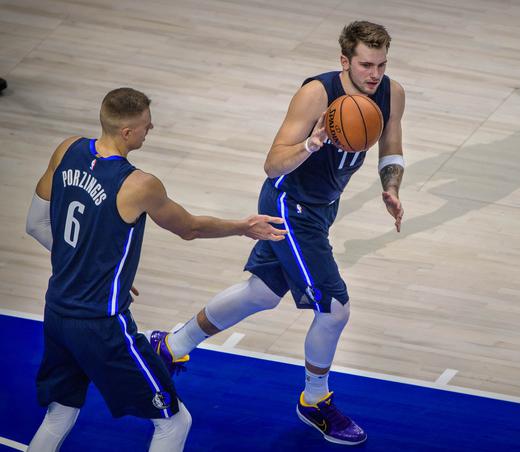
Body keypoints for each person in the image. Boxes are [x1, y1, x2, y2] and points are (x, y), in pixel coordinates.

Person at [154, 20, 405, 446]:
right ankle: (314, 400)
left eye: (381, 64)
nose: (374, 74)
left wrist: (390, 186)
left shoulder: (390, 92)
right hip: (290, 206)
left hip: (323, 208)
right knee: (335, 309)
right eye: (365, 65)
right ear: (344, 61)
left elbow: (391, 143)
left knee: (260, 293)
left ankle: (172, 345)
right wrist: (314, 141)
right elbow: (271, 166)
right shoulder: (316, 94)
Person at [24, 87, 286, 452]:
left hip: (56, 312)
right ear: (128, 132)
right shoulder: (138, 184)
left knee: (60, 412)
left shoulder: (66, 149)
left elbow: (35, 224)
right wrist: (243, 227)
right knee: (174, 423)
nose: (152, 129)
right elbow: (190, 228)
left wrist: (87, 265)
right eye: (147, 125)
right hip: (102, 325)